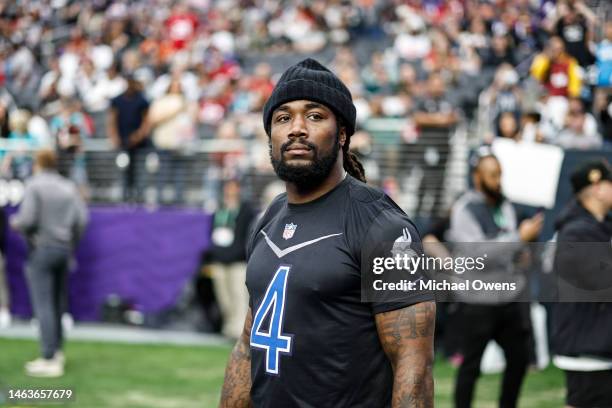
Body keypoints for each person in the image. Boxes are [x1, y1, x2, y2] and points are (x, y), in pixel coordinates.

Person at [219, 58, 435, 407]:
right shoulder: (268, 218)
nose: (297, 128)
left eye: (315, 116)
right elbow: (247, 346)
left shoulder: (383, 226)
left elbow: (414, 367)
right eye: (283, 117)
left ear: (343, 134)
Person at [447, 149, 543, 408]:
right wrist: (517, 240)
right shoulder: (465, 208)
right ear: (477, 177)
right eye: (492, 175)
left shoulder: (506, 205)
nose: (498, 180)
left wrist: (522, 252)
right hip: (477, 300)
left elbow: (509, 248)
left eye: (500, 174)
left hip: (508, 297)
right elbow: (476, 253)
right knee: (471, 366)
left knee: (519, 360)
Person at [10, 150, 88, 378]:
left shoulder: (35, 185)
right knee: (57, 303)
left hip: (42, 249)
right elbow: (82, 220)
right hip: (64, 250)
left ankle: (48, 357)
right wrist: (71, 243)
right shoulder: (68, 186)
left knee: (43, 305)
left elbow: (27, 219)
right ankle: (58, 352)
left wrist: (15, 223)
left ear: (38, 163)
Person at [551, 160, 612, 408]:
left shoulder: (600, 227)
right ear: (597, 186)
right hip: (587, 347)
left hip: (599, 342)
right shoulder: (575, 232)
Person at [207, 179, 256, 339]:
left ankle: (240, 332)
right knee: (224, 297)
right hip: (220, 260)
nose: (231, 191)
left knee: (239, 296)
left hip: (238, 262)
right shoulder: (219, 209)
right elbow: (213, 232)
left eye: (234, 188)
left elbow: (248, 234)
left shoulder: (246, 210)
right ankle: (229, 328)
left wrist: (242, 252)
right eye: (228, 188)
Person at [107, 74, 150, 202]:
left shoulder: (141, 100)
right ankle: (124, 196)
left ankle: (138, 196)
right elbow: (112, 119)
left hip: (139, 144)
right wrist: (114, 136)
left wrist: (139, 135)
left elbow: (146, 120)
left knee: (139, 170)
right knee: (123, 170)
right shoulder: (117, 100)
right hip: (123, 142)